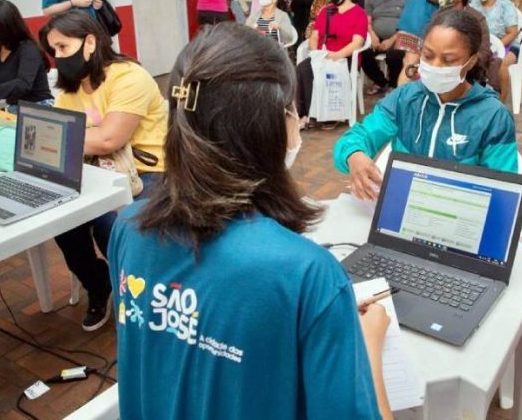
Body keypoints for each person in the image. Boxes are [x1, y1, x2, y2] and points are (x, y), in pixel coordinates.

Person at [109, 22, 393, 419]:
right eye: (294, 109)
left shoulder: (128, 228)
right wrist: (368, 345)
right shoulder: (307, 275)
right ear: (274, 125)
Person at [39, 11, 166, 331]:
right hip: (98, 170)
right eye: (53, 51)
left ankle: (145, 295)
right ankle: (98, 284)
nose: (57, 58)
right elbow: (74, 139)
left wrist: (60, 137)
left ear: (90, 42)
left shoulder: (128, 76)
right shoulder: (71, 89)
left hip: (148, 169)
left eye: (63, 48)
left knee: (113, 224)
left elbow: (110, 138)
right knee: (62, 221)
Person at [334, 9, 518, 201]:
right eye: (428, 56)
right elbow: (357, 137)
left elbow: (504, 188)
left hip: (459, 214)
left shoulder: (492, 116)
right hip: (403, 205)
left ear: (471, 62)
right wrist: (354, 155)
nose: (435, 66)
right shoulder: (405, 98)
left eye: (448, 60)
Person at [296, 0, 368, 128]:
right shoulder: (326, 11)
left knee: (327, 73)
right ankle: (307, 114)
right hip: (323, 55)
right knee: (304, 68)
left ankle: (329, 115)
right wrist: (316, 54)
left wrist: (337, 55)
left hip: (345, 58)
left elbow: (358, 42)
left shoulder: (359, 13)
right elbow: (315, 36)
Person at [395, 0, 471, 84]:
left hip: (408, 20)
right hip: (419, 23)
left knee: (408, 64)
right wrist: (453, 1)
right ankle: (399, 102)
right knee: (410, 66)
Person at [0, 0, 52, 110]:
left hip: (39, 107)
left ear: (8, 27)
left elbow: (23, 84)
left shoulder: (28, 48)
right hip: (12, 108)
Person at [361, 0, 410, 94]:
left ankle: (394, 84)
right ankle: (381, 82)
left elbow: (410, 22)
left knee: (395, 56)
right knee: (362, 52)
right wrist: (372, 35)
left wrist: (392, 40)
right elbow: (367, 20)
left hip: (401, 35)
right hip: (377, 36)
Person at [472, 0, 519, 101]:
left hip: (506, 44)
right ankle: (476, 96)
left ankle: (500, 100)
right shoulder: (473, 5)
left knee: (501, 64)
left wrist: (496, 46)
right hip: (482, 44)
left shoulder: (505, 5)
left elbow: (513, 32)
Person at [438, 0, 495, 82]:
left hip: (469, 68)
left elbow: (484, 51)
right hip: (440, 63)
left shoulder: (476, 18)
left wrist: (463, 63)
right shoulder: (439, 14)